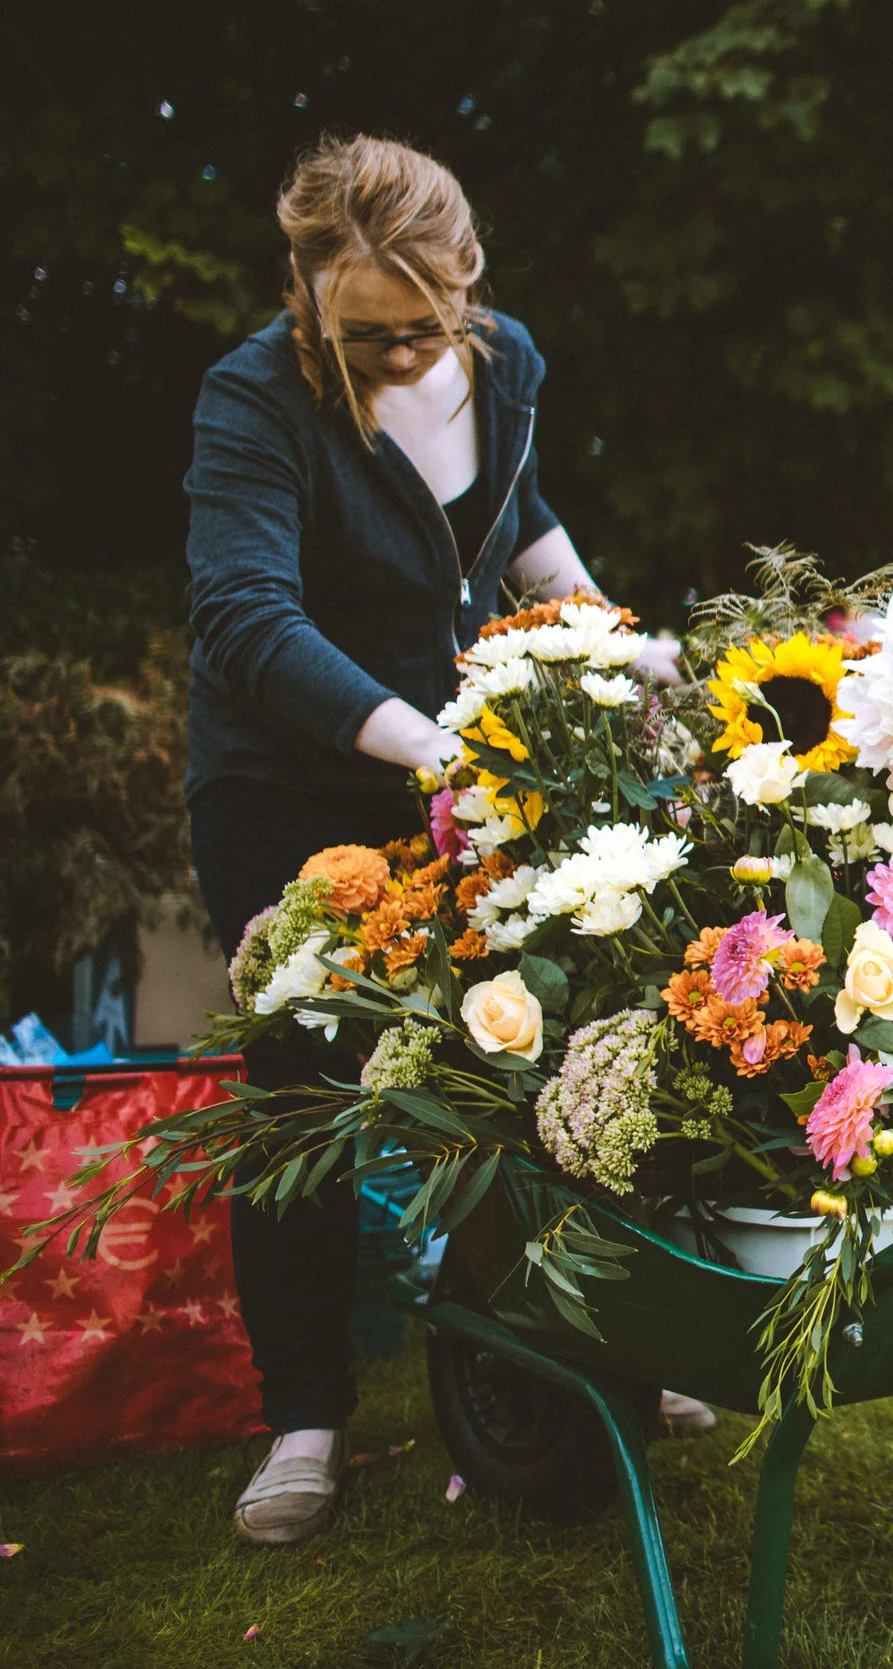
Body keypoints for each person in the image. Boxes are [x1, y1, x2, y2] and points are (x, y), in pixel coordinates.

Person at [186, 135, 704, 1547]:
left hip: (453, 765)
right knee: (304, 1076)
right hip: (292, 781)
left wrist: (620, 645)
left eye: (429, 326)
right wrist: (429, 741)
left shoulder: (508, 362)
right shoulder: (252, 402)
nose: (403, 357)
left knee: (536, 1037)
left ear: (470, 286)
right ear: (302, 292)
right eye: (366, 335)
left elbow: (515, 529)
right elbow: (246, 617)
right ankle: (306, 1416)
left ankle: (590, 1353)